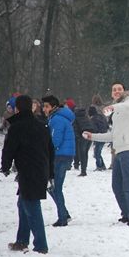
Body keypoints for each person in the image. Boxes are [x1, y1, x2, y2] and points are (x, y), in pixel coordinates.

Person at [82, 82, 129, 226]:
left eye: (119, 89)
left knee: (128, 183)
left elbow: (126, 106)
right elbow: (112, 135)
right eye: (114, 90)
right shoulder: (116, 112)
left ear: (124, 91)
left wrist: (111, 107)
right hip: (119, 150)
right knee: (116, 185)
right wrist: (93, 136)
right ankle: (126, 213)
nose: (117, 91)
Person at [0, 95, 54, 254]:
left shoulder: (17, 126)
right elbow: (50, 150)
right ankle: (22, 240)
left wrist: (5, 166)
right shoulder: (41, 125)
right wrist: (51, 172)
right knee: (23, 204)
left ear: (17, 108)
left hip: (28, 171)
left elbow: (9, 149)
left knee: (31, 206)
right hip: (40, 169)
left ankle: (41, 245)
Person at [42, 95, 75, 227]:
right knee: (52, 187)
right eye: (43, 106)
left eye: (46, 106)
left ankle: (63, 217)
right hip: (64, 155)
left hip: (60, 156)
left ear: (53, 107)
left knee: (55, 188)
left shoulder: (57, 120)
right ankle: (64, 214)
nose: (44, 109)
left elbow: (55, 140)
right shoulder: (57, 118)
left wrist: (45, 151)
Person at [73, 107, 95, 176]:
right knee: (85, 153)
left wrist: (78, 137)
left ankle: (83, 171)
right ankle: (84, 168)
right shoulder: (86, 117)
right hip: (90, 136)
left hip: (82, 137)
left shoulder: (76, 118)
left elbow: (75, 129)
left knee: (82, 154)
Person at [88, 106, 109, 171]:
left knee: (97, 152)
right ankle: (102, 165)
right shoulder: (101, 116)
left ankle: (99, 166)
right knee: (98, 152)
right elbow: (107, 125)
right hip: (104, 135)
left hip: (98, 136)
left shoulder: (93, 119)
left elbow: (94, 129)